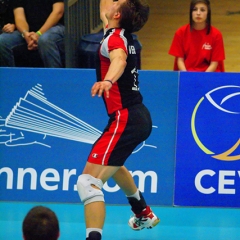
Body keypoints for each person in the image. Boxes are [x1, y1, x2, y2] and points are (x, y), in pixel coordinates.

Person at [76, 0, 160, 239]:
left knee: (88, 183)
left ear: (117, 14)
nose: (110, 4)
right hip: (136, 115)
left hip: (126, 116)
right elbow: (106, 10)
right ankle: (143, 212)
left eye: (116, 3)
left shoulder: (114, 41)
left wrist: (108, 81)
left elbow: (119, 60)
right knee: (115, 165)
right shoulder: (119, 32)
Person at [0, 0, 65, 68]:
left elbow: (58, 12)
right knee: (2, 41)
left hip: (55, 27)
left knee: (44, 40)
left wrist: (39, 34)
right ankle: (11, 77)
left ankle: (54, 77)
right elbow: (19, 17)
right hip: (30, 32)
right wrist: (25, 34)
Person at [168, 0, 225, 72]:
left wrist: (202, 78)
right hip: (187, 74)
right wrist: (187, 77)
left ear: (208, 13)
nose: (198, 13)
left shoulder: (216, 35)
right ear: (191, 12)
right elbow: (179, 60)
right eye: (195, 9)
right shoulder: (180, 32)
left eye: (202, 10)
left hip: (208, 75)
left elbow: (214, 63)